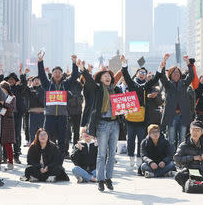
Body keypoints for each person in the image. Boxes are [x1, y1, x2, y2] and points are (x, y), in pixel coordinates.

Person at [79, 60, 122, 192]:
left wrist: (124, 66)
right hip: (103, 124)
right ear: (100, 78)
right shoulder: (97, 89)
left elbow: (124, 104)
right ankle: (100, 179)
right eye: (105, 76)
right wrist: (83, 69)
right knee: (102, 154)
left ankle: (109, 178)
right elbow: (89, 82)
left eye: (109, 75)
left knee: (112, 155)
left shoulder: (117, 89)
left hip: (115, 124)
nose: (108, 77)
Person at [120, 54, 162, 168]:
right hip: (130, 117)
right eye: (140, 72)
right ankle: (130, 157)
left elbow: (156, 79)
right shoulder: (132, 84)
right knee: (131, 140)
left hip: (142, 118)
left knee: (141, 139)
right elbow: (126, 75)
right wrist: (124, 63)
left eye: (144, 73)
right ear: (137, 74)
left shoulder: (147, 86)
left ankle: (139, 157)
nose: (142, 75)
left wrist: (160, 67)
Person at [37, 52, 79, 160]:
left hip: (62, 116)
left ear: (62, 74)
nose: (57, 74)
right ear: (52, 74)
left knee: (62, 138)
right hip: (50, 116)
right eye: (55, 72)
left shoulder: (65, 84)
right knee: (48, 137)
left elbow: (74, 76)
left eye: (59, 72)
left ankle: (60, 159)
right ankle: (47, 157)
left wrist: (74, 63)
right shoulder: (47, 84)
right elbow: (41, 74)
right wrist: (40, 61)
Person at [159, 54, 194, 151]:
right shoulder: (168, 84)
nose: (176, 74)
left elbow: (191, 76)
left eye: (178, 72)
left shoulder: (183, 83)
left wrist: (188, 63)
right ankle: (171, 158)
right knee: (171, 139)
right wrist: (164, 61)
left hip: (183, 115)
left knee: (182, 139)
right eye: (174, 73)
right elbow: (162, 76)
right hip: (172, 116)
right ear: (170, 74)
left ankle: (180, 158)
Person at [174, 120, 203, 191]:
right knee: (178, 175)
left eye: (197, 130)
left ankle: (197, 186)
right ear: (190, 131)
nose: (195, 132)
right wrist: (193, 158)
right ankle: (192, 186)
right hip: (190, 173)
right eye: (193, 130)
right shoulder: (184, 145)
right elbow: (176, 159)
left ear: (201, 132)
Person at [0, 65, 30, 164]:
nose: (11, 81)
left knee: (16, 135)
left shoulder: (19, 88)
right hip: (5, 115)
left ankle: (16, 155)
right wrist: (2, 73)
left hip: (16, 115)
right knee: (4, 136)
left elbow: (24, 84)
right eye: (9, 79)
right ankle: (5, 156)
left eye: (13, 79)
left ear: (15, 81)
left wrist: (21, 73)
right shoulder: (3, 91)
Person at [0, 81, 16, 170]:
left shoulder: (12, 97)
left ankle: (10, 162)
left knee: (8, 143)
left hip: (8, 122)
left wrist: (3, 103)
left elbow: (12, 108)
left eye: (2, 88)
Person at [27, 76, 45, 144]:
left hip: (42, 113)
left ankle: (43, 145)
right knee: (32, 132)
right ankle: (32, 145)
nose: (37, 81)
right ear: (32, 82)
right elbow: (24, 89)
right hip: (32, 113)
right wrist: (23, 76)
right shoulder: (30, 89)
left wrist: (38, 92)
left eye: (38, 80)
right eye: (35, 80)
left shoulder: (43, 89)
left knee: (42, 131)